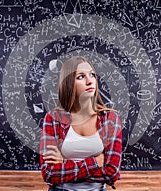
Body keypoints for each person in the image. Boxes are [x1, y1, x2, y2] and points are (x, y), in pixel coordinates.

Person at [40, 56, 122, 191]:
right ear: (68, 83)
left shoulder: (110, 119)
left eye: (92, 75)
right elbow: (49, 174)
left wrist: (65, 164)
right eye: (80, 77)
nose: (89, 81)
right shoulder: (53, 119)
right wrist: (96, 162)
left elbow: (111, 173)